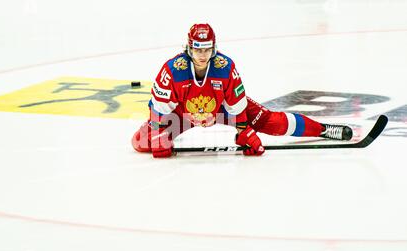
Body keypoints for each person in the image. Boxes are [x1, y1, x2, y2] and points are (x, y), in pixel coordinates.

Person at [132, 23, 353, 158]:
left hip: (221, 110)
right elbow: (158, 108)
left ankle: (323, 129)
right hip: (182, 115)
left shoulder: (225, 67)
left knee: (271, 122)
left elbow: (236, 105)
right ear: (189, 48)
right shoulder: (172, 70)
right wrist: (159, 132)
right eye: (198, 49)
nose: (202, 55)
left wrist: (243, 131)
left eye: (207, 49)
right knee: (141, 143)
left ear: (214, 48)